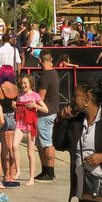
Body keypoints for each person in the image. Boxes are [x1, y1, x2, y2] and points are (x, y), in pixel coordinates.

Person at [13, 73, 48, 186]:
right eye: (22, 83)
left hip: (30, 124)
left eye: (25, 83)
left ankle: (31, 177)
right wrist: (14, 106)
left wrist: (35, 106)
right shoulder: (20, 95)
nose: (23, 85)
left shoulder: (35, 95)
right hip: (20, 122)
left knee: (30, 152)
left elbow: (46, 109)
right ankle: (18, 170)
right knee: (14, 146)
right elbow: (17, 110)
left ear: (30, 84)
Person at [35, 52, 61, 181]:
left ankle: (49, 171)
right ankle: (46, 170)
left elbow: (41, 97)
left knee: (45, 142)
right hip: (52, 110)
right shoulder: (54, 73)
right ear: (51, 60)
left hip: (44, 113)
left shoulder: (45, 76)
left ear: (40, 60)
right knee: (41, 143)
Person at [0, 76, 20, 185]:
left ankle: (6, 175)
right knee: (12, 148)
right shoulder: (16, 88)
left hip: (3, 117)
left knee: (4, 148)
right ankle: (12, 174)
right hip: (14, 117)